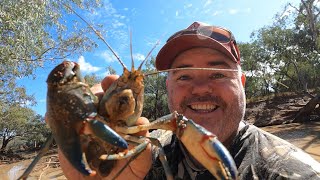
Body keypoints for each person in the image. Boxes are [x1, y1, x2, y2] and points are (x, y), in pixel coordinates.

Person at [59, 21, 320, 179]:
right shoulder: (148, 153)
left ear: (241, 83)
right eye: (183, 77)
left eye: (217, 73)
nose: (201, 87)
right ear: (168, 87)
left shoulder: (290, 171)